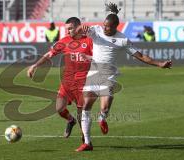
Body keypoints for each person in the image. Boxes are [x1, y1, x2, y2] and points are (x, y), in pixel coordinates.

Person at [75, 2, 172, 151]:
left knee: (105, 107)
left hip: (108, 73)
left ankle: (102, 117)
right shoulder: (96, 30)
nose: (105, 28)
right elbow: (76, 33)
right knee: (86, 106)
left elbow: (140, 56)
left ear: (115, 27)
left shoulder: (123, 40)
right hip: (94, 72)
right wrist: (82, 28)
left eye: (108, 26)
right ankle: (87, 142)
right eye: (104, 25)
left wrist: (159, 64)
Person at [28, 17, 93, 139]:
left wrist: (89, 59)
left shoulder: (90, 40)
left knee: (82, 114)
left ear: (78, 27)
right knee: (59, 108)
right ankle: (70, 120)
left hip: (83, 83)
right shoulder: (65, 41)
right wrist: (35, 65)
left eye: (70, 29)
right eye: (66, 29)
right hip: (67, 82)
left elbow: (99, 59)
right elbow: (49, 54)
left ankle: (85, 138)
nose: (68, 31)